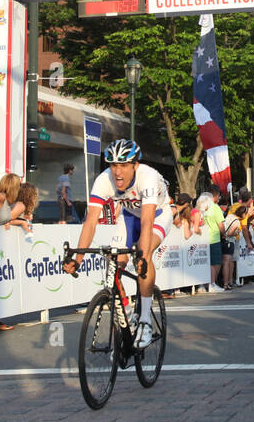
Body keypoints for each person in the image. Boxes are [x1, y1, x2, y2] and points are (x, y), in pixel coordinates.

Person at [64, 140, 174, 349]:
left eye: (123, 165)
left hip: (158, 215)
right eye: (113, 165)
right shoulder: (104, 180)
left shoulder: (147, 177)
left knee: (145, 252)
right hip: (129, 215)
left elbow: (147, 221)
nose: (118, 172)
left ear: (135, 165)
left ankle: (145, 321)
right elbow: (90, 222)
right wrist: (78, 258)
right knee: (114, 260)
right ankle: (127, 311)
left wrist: (143, 255)